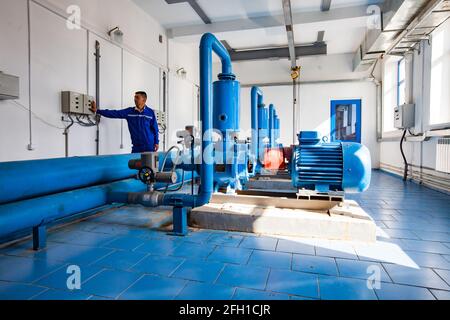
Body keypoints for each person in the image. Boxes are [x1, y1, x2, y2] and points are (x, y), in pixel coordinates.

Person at [90, 91, 159, 153]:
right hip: (136, 146)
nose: (135, 99)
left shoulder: (150, 112)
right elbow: (114, 113)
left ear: (144, 100)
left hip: (149, 145)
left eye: (137, 97)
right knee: (135, 166)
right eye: (134, 97)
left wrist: (156, 142)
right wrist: (97, 110)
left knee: (150, 166)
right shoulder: (129, 112)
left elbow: (155, 128)